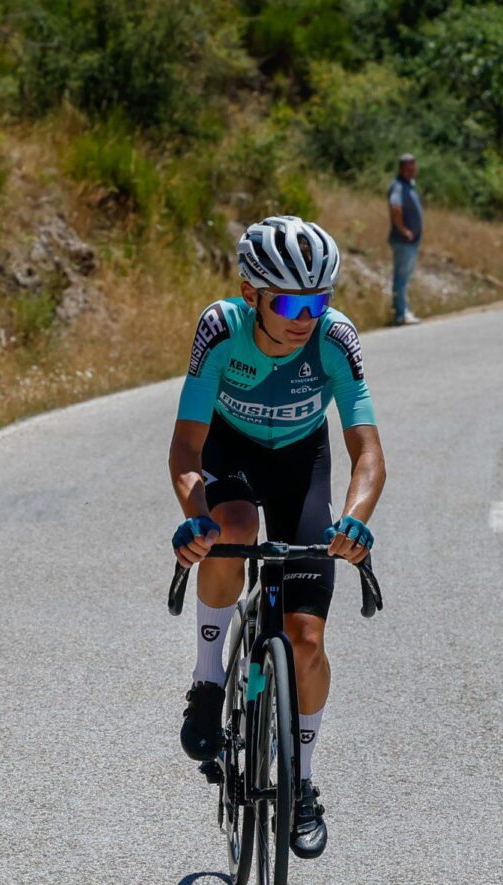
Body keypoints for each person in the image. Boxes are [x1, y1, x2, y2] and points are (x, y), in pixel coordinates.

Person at [168, 215, 386, 860]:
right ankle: (209, 682)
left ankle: (305, 784)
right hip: (230, 453)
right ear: (251, 293)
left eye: (318, 301)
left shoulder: (335, 339)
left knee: (307, 639)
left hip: (302, 464)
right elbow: (187, 444)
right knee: (231, 531)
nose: (305, 316)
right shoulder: (220, 329)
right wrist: (194, 513)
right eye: (289, 302)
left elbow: (367, 453)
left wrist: (355, 519)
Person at [388, 153, 423, 325]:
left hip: (410, 242)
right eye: (409, 168)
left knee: (404, 277)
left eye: (414, 167)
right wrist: (403, 230)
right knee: (401, 278)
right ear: (402, 168)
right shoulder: (398, 186)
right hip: (403, 241)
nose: (412, 171)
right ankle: (401, 313)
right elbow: (395, 207)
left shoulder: (408, 185)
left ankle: (402, 311)